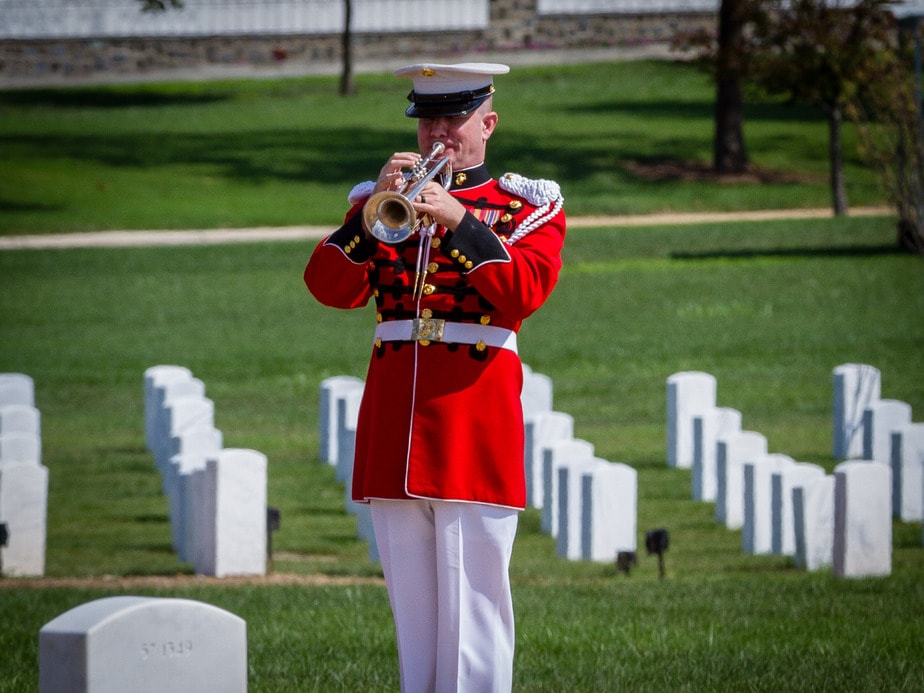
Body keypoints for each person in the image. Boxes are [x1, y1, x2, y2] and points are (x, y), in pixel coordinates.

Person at [304, 62, 566, 692]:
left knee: (474, 612)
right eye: (428, 120)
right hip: (396, 424)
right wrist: (366, 218)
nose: (438, 132)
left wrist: (458, 222)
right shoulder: (377, 202)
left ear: (489, 123)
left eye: (454, 118)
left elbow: (523, 292)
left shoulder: (522, 206)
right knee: (415, 619)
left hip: (473, 420)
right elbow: (328, 287)